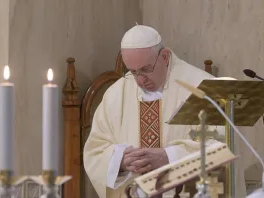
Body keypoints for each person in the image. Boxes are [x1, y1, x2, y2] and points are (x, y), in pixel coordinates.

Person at [83, 25, 246, 198]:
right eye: (133, 72)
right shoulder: (116, 95)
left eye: (146, 69)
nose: (139, 80)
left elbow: (223, 145)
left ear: (165, 57)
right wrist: (119, 161)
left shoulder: (203, 87)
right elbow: (95, 151)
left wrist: (169, 157)